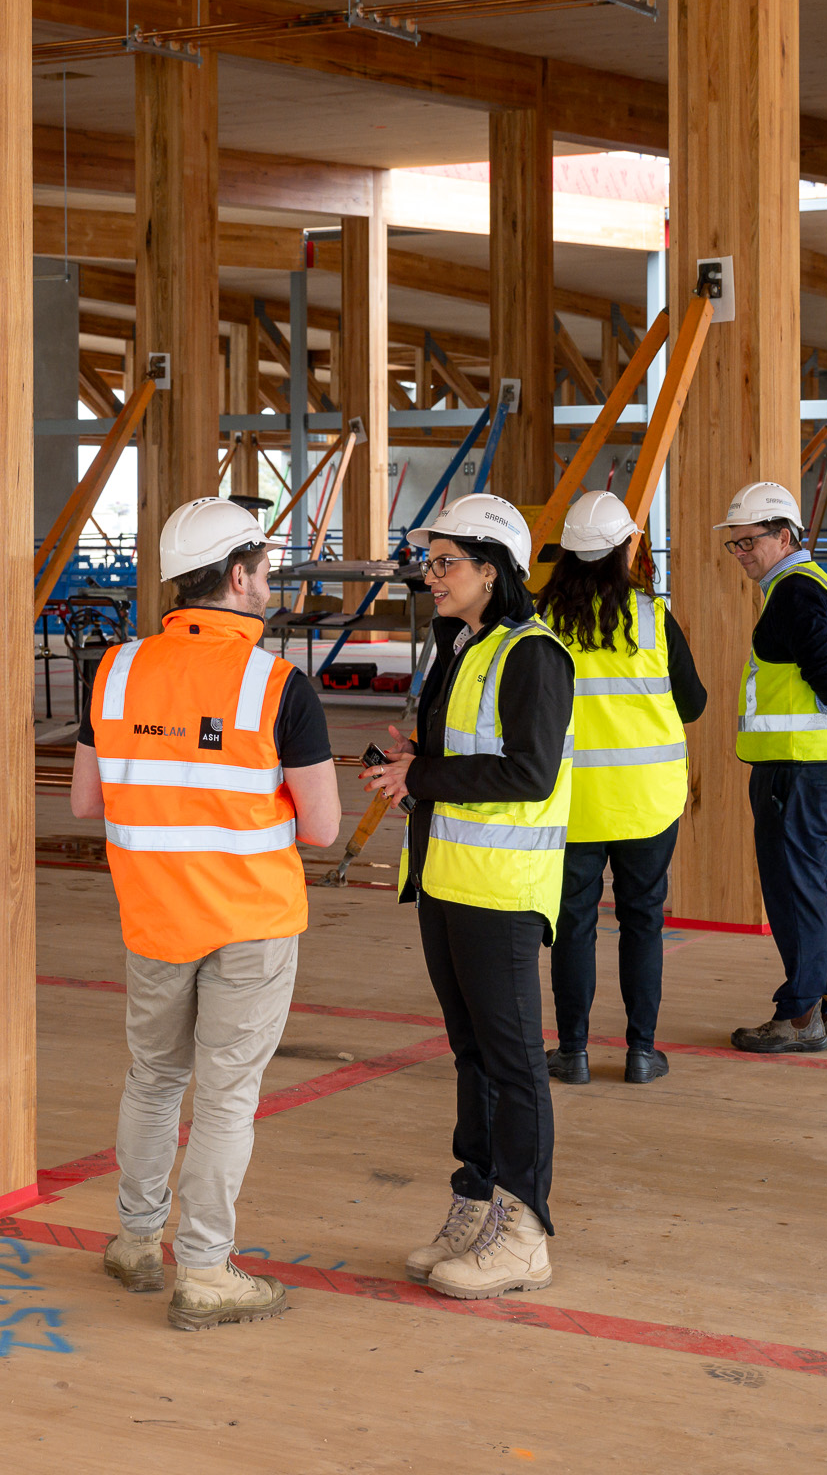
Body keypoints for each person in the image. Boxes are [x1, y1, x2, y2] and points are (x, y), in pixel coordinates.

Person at [71, 497, 341, 1330]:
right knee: (225, 1100)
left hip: (155, 919)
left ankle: (134, 1242)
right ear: (237, 576)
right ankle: (205, 1270)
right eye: (264, 572)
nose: (269, 585)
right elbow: (325, 828)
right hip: (250, 924)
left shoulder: (113, 671)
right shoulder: (276, 683)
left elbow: (87, 800)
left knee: (154, 1080)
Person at [358, 493, 575, 1300]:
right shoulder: (461, 643)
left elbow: (530, 771)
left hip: (502, 892)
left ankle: (524, 1233)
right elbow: (462, 757)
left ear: (494, 572)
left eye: (447, 562)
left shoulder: (534, 654)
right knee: (474, 1057)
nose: (433, 575)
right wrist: (417, 759)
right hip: (447, 882)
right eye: (431, 561)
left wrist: (425, 773)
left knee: (515, 1065)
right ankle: (475, 1203)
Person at [537, 492, 707, 1087]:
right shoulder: (654, 618)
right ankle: (640, 1052)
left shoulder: (541, 624)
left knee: (573, 925)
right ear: (624, 549)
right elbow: (695, 703)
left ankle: (574, 1053)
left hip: (572, 803)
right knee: (643, 921)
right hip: (647, 802)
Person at [717, 481, 827, 1056]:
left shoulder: (792, 591)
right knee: (816, 890)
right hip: (817, 771)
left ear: (784, 535)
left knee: (795, 894)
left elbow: (826, 667)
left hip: (794, 773)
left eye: (748, 543)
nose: (741, 554)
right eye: (733, 545)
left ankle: (799, 1016)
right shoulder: (815, 586)